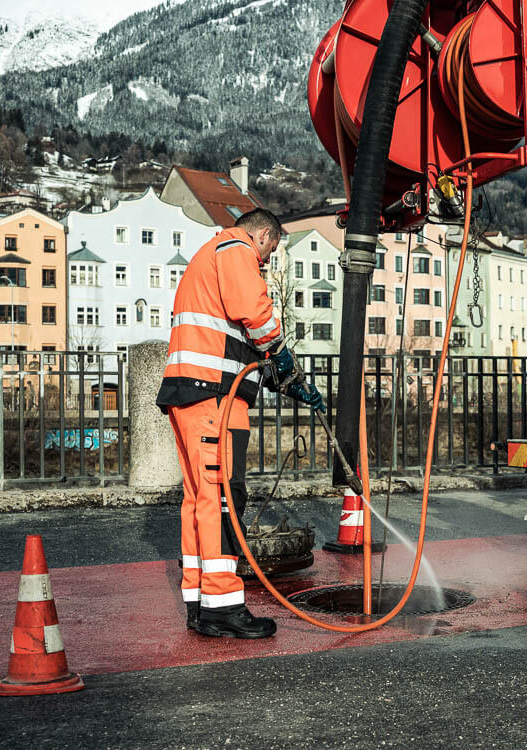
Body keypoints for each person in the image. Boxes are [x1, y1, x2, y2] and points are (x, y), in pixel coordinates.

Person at [156, 208, 325, 639]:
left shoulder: (208, 255)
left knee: (198, 499)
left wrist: (271, 371)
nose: (267, 260)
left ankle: (200, 601)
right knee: (223, 498)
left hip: (191, 392)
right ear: (263, 234)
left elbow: (232, 334)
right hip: (214, 394)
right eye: (270, 249)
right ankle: (225, 605)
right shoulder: (235, 249)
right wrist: (281, 354)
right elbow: (255, 313)